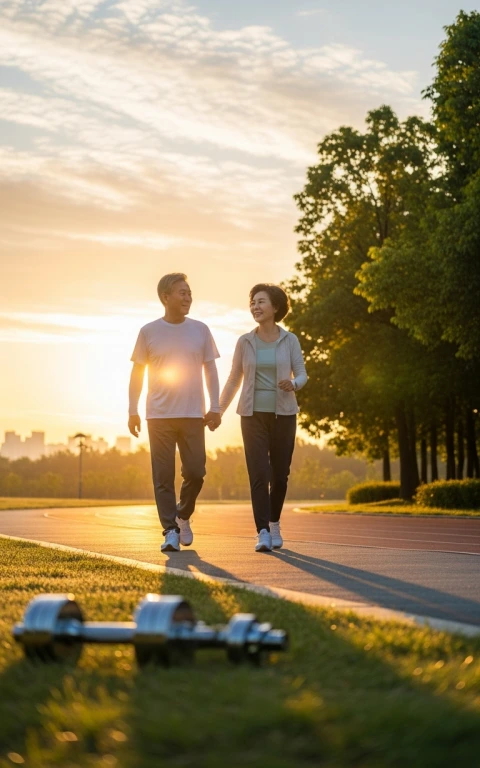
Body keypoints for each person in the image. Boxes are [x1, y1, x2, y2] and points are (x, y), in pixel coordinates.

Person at [128, 273, 221, 553]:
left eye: (190, 293)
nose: (188, 297)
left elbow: (211, 369)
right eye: (182, 292)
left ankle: (182, 515)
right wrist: (132, 409)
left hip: (193, 414)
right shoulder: (148, 331)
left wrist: (215, 406)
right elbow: (137, 372)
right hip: (159, 415)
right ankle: (169, 530)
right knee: (163, 476)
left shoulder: (201, 330)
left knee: (196, 471)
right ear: (165, 297)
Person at [219, 283, 307, 552]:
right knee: (259, 473)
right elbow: (234, 379)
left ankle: (275, 522)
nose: (255, 307)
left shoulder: (289, 340)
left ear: (276, 307)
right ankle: (262, 532)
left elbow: (302, 372)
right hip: (252, 416)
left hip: (284, 414)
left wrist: (295, 384)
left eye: (261, 302)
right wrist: (218, 411)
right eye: (252, 302)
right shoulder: (245, 341)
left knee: (280, 476)